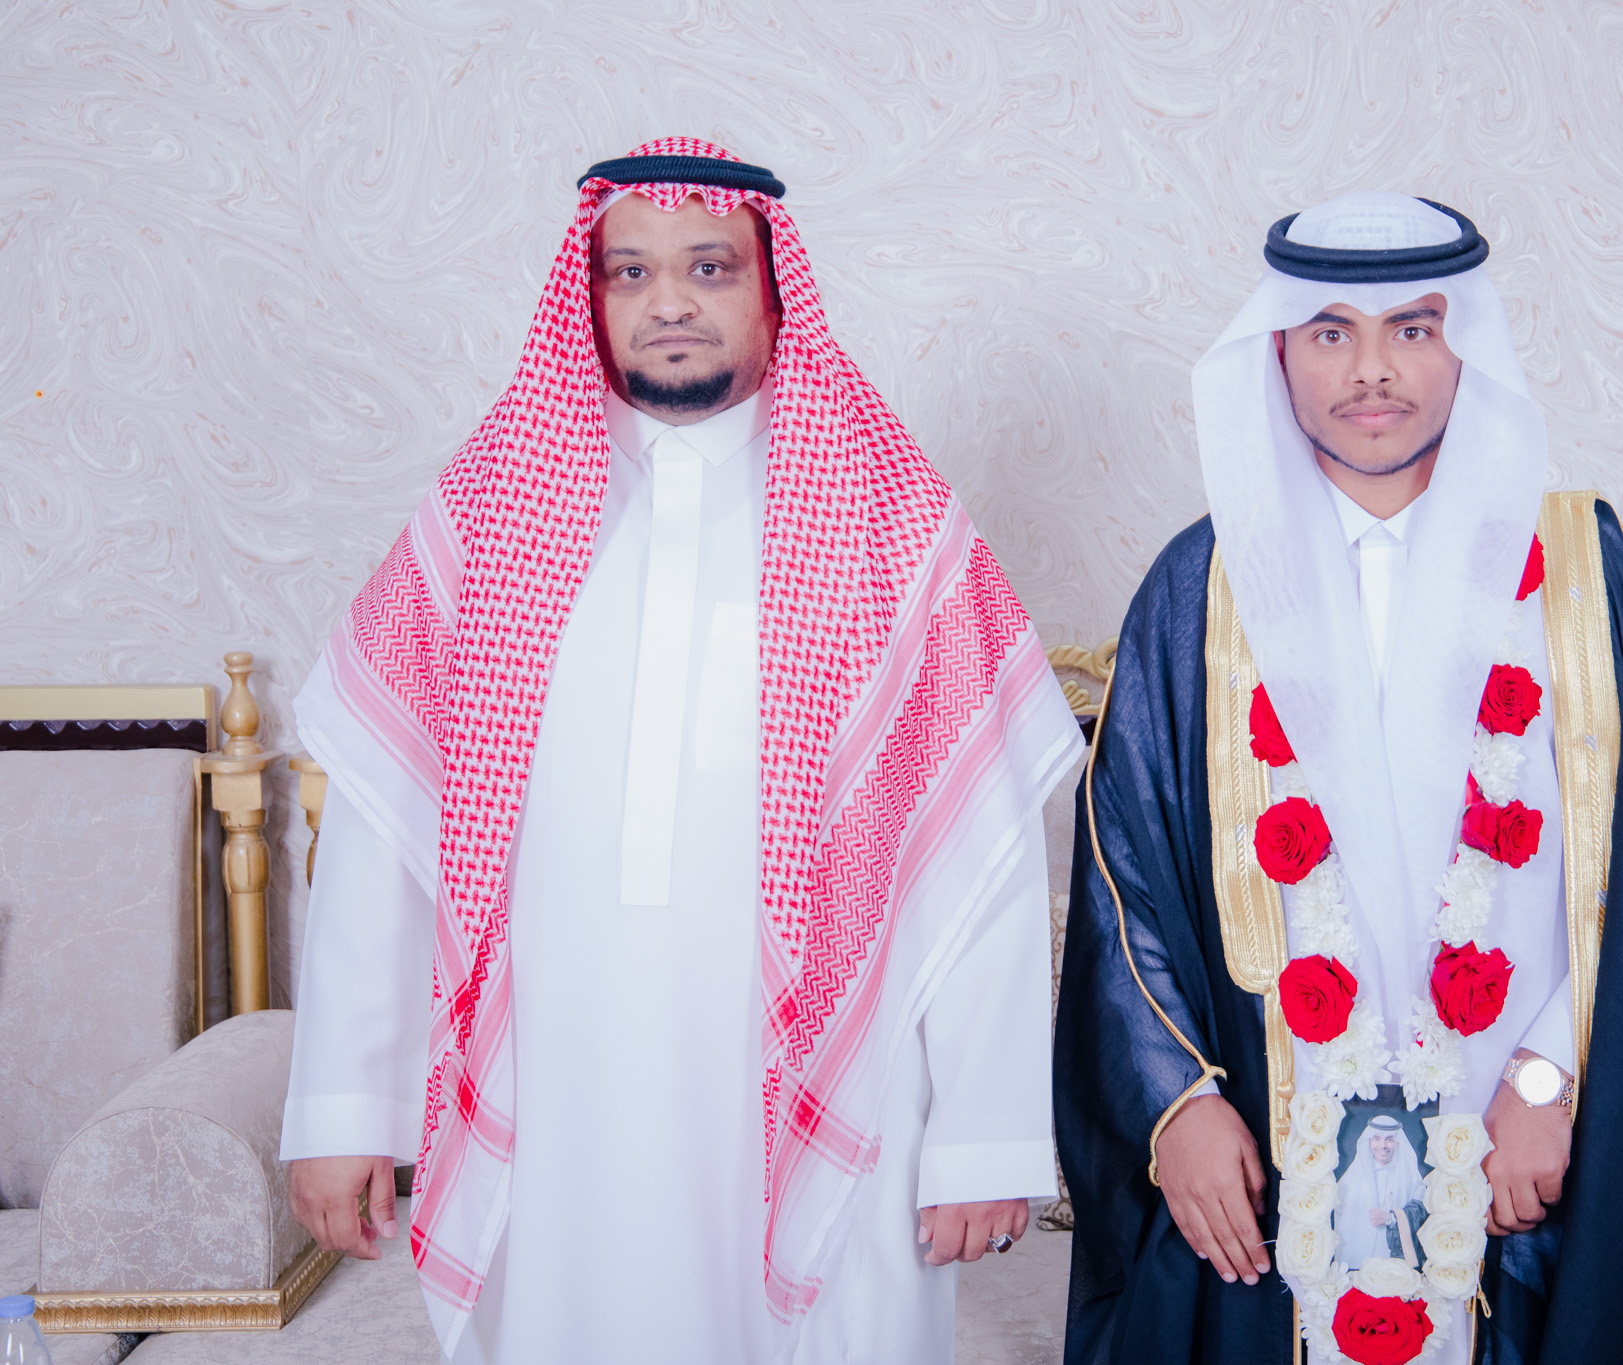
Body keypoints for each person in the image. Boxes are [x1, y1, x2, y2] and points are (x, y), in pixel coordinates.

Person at [280, 137, 1082, 1364]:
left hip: (829, 1088)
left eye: (708, 267)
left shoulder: (890, 527)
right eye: (630, 271)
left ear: (771, 287)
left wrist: (982, 1136)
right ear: (590, 294)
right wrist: (344, 1106)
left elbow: (978, 853)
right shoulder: (489, 519)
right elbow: (384, 836)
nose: (667, 302)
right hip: (557, 1091)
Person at [1054, 192, 1623, 1363]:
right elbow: (1124, 882)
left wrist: (1549, 1077)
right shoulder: (1199, 589)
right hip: (1276, 1165)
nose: (1371, 370)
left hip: (1531, 1168)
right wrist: (1175, 1103)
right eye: (1330, 333)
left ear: (1463, 344)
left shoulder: (1581, 578)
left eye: (1412, 330)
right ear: (1276, 354)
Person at [1334, 1116, 1426, 1267]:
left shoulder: (1410, 1177)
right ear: (1369, 1141)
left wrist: (1391, 1218)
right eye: (1376, 1139)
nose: (1383, 1145)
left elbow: (1421, 1212)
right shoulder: (1351, 1179)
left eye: (1389, 1139)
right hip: (1360, 1259)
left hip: (1395, 1261)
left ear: (1398, 1143)